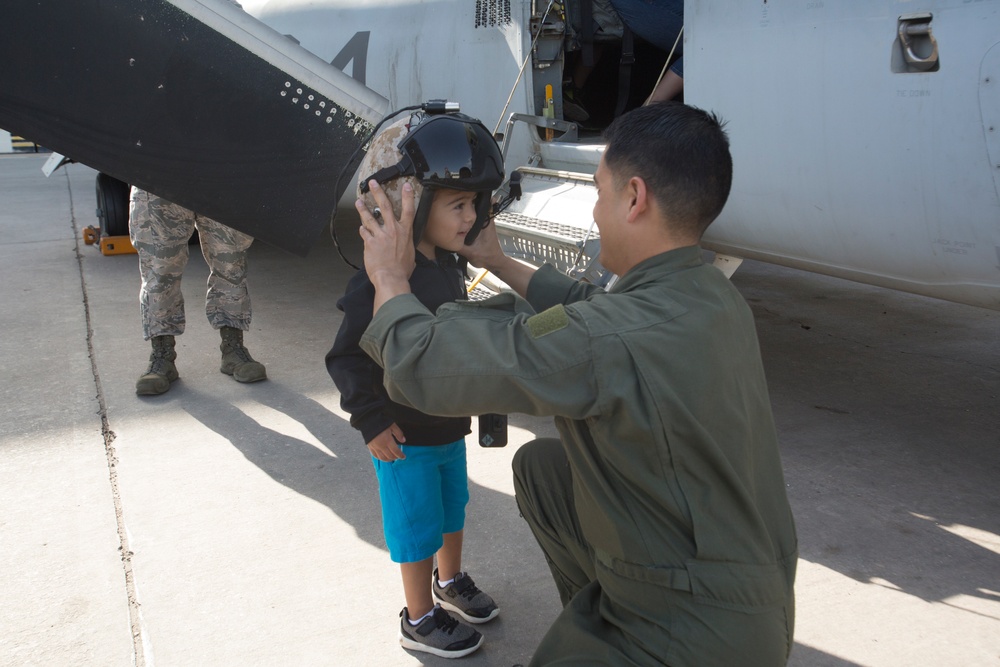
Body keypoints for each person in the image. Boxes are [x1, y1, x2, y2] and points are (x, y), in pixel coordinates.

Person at [353, 102, 798, 666]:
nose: (593, 210)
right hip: (751, 594)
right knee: (543, 470)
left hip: (692, 633)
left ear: (634, 199)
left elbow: (419, 361)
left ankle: (619, 635)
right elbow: (589, 307)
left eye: (598, 191)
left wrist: (390, 279)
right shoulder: (710, 294)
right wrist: (499, 260)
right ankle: (603, 602)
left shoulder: (610, 339)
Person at [325, 111, 504, 659]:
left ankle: (448, 585)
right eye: (458, 204)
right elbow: (346, 357)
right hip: (401, 437)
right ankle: (419, 616)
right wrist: (371, 421)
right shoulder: (378, 277)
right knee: (416, 527)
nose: (469, 215)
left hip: (446, 427)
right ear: (413, 202)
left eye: (474, 203)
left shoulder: (448, 267)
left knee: (453, 512)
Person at [129, 188, 266, 396]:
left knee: (230, 262)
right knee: (160, 268)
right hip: (157, 172)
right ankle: (162, 356)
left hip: (220, 169)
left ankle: (233, 347)